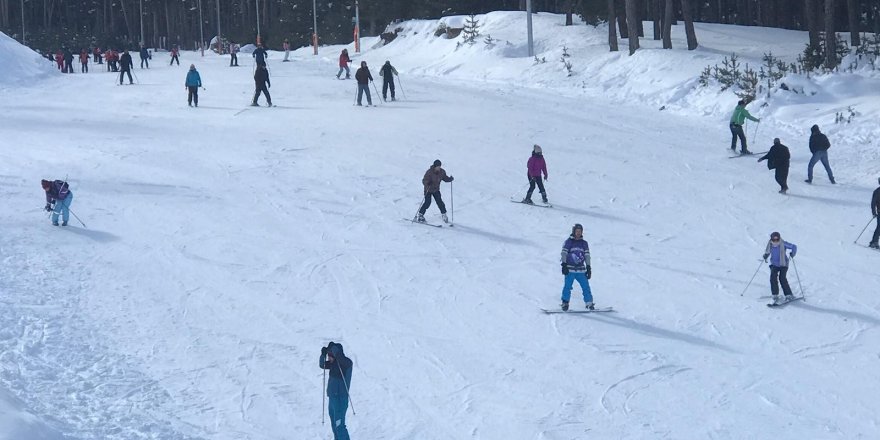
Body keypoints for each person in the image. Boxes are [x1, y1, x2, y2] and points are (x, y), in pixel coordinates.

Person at [319, 342, 353, 440]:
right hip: (332, 399)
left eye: (330, 356)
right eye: (328, 356)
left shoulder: (346, 364)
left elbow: (342, 360)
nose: (329, 358)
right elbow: (322, 365)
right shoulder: (333, 365)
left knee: (340, 426)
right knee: (334, 425)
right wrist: (323, 355)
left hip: (340, 400)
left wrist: (333, 349)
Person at [560, 223, 593, 311]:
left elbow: (587, 256)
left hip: (581, 270)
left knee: (585, 286)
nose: (578, 233)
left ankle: (589, 303)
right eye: (577, 231)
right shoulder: (569, 242)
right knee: (567, 286)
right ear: (573, 232)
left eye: (580, 231)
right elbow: (564, 253)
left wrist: (588, 267)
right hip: (570, 269)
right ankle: (565, 303)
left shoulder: (584, 243)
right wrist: (564, 265)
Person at [762, 231, 797, 304]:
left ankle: (789, 295)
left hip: (783, 264)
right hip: (774, 264)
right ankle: (775, 295)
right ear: (771, 239)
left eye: (777, 239)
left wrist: (792, 253)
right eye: (774, 239)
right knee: (773, 278)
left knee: (782, 278)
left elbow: (794, 246)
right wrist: (766, 255)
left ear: (779, 238)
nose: (775, 241)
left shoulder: (783, 243)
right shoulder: (770, 244)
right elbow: (768, 251)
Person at [870, 178, 880, 249]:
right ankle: (874, 242)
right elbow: (873, 203)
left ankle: (874, 241)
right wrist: (874, 212)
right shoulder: (877, 192)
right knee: (879, 227)